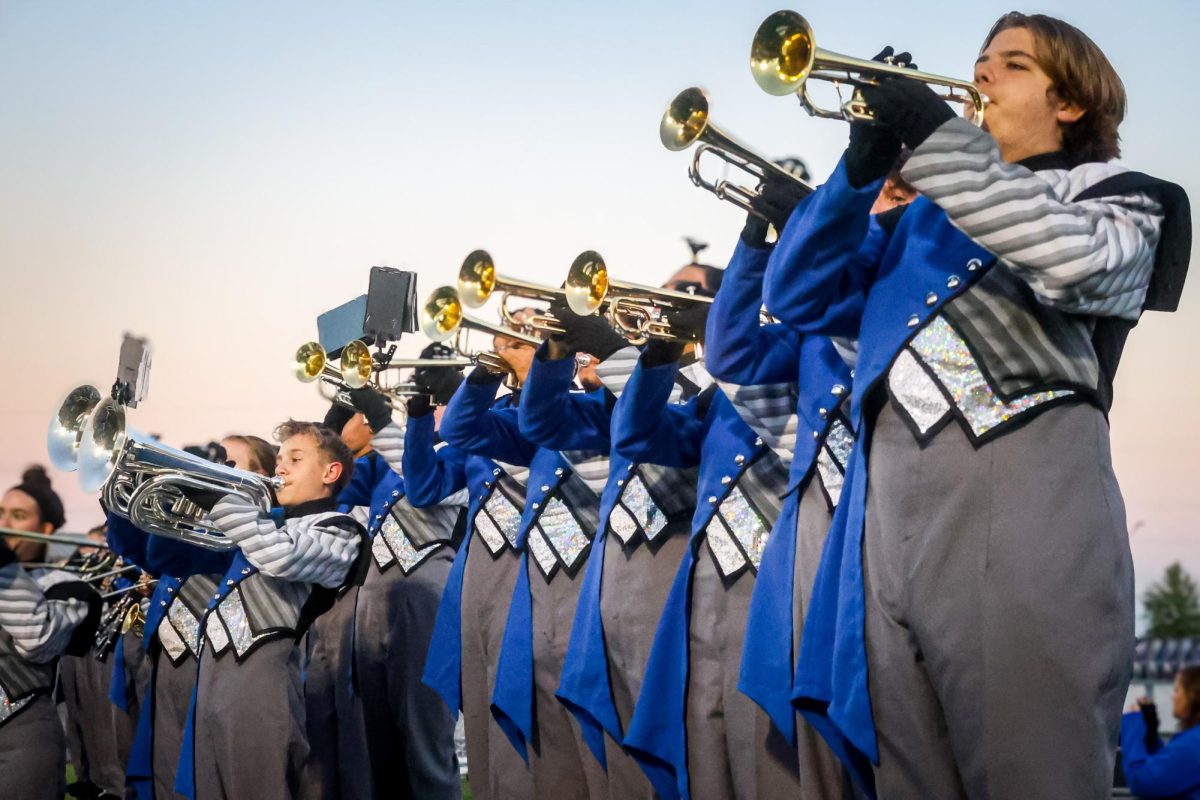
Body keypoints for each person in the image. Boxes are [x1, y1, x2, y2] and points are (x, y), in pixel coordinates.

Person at [764, 14, 1189, 799]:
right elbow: (794, 295)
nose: (982, 77)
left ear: (1071, 103)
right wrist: (858, 170)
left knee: (1035, 775)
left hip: (1027, 509)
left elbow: (1071, 258)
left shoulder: (1123, 196)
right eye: (980, 62)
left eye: (1013, 64)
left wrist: (932, 134)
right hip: (884, 532)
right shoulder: (913, 221)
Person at [315, 348, 467, 800]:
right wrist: (346, 396)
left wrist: (386, 419)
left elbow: (424, 484)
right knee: (374, 741)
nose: (434, 408)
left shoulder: (464, 451)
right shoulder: (383, 459)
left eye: (440, 399)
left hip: (425, 591)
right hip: (375, 597)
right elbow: (329, 485)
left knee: (424, 740)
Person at [419, 327, 539, 800]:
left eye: (521, 339)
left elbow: (536, 430)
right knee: (485, 720)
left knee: (530, 725)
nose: (505, 346)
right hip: (480, 576)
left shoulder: (564, 405)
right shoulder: (492, 413)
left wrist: (541, 372)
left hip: (530, 571)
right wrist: (413, 415)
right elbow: (425, 484)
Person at [0, 531, 102, 800]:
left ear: (46, 527)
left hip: (18, 735)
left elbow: (35, 638)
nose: (5, 523)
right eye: (1, 512)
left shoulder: (65, 584)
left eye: (19, 516)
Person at [1121, 666, 1200, 800]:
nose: (1173, 697)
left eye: (1177, 690)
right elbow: (1170, 771)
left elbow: (1140, 781)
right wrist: (1150, 734)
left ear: (1192, 696)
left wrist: (1133, 721)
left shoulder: (1194, 744)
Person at [2, 466, 67, 563]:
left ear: (45, 530)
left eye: (18, 516)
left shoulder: (59, 578)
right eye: (0, 514)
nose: (3, 524)